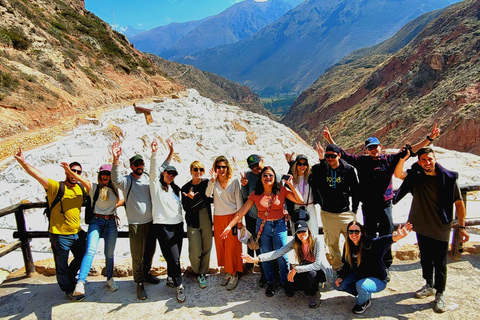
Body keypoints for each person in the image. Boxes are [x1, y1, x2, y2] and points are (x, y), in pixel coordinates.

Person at [323, 123, 440, 278]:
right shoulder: (361, 161)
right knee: (370, 236)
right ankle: (371, 264)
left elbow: (411, 151)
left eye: (376, 147)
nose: (374, 150)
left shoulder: (390, 159)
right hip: (369, 206)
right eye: (370, 148)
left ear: (380, 147)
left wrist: (429, 138)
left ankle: (386, 266)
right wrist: (330, 139)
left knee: (387, 235)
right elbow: (342, 154)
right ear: (366, 150)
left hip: (385, 205)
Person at [393, 147, 470, 313]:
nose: (427, 163)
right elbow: (399, 175)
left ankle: (440, 293)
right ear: (419, 162)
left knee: (440, 262)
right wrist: (402, 158)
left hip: (441, 226)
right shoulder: (417, 176)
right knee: (426, 258)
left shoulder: (448, 178)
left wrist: (462, 227)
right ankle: (429, 284)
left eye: (430, 159)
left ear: (434, 159)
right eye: (423, 160)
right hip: (421, 225)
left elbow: (458, 202)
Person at [14, 147, 89, 301]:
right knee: (61, 265)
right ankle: (68, 290)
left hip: (78, 232)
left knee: (83, 256)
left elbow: (92, 187)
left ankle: (70, 278)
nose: (75, 174)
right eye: (72, 170)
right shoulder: (56, 187)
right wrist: (23, 163)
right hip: (60, 235)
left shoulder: (82, 188)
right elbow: (38, 175)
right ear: (66, 172)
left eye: (78, 172)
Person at [221, 166, 304, 297]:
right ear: (261, 178)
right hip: (263, 226)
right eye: (265, 175)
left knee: (282, 255)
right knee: (265, 255)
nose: (268, 178)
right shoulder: (256, 194)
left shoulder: (281, 190)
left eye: (270, 175)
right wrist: (229, 226)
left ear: (274, 177)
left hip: (279, 225)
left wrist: (291, 185)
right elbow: (242, 211)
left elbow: (300, 200)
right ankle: (270, 283)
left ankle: (286, 282)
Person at [242, 220, 331, 308]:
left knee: (311, 276)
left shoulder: (317, 241)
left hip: (318, 271)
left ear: (308, 231)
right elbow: (278, 253)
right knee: (289, 286)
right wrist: (256, 259)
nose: (302, 234)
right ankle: (308, 286)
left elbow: (317, 265)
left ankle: (314, 293)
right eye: (299, 232)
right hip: (304, 268)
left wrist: (296, 269)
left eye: (304, 231)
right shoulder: (296, 242)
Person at [335, 221, 413, 314]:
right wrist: (341, 276)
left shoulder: (370, 243)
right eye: (351, 232)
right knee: (338, 285)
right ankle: (364, 292)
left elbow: (385, 240)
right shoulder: (348, 245)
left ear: (361, 233)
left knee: (362, 285)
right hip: (360, 276)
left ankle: (363, 302)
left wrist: (397, 237)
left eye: (357, 231)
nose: (353, 234)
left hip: (377, 279)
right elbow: (347, 265)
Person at [142, 138, 186, 303]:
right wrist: (154, 153)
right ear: (163, 174)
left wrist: (171, 153)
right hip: (164, 227)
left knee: (174, 256)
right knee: (174, 258)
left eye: (173, 174)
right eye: (169, 173)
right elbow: (153, 171)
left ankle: (170, 277)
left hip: (178, 225)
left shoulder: (174, 189)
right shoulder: (156, 187)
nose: (171, 176)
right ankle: (179, 286)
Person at [73, 164, 124, 298]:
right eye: (103, 174)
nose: (105, 176)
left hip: (111, 223)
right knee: (90, 250)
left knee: (109, 253)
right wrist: (69, 171)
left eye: (108, 174)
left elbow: (119, 201)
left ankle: (109, 279)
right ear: (100, 175)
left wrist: (119, 204)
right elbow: (82, 180)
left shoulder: (115, 190)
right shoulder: (94, 188)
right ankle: (81, 282)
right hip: (96, 221)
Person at [111, 141, 153, 300]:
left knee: (149, 251)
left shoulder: (148, 178)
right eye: (136, 164)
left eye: (141, 163)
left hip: (150, 222)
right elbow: (115, 179)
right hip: (136, 224)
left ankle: (147, 274)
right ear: (131, 167)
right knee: (137, 255)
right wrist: (115, 159)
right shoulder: (127, 180)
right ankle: (139, 282)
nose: (139, 166)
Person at [309, 143, 359, 271]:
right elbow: (313, 176)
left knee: (353, 241)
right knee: (332, 244)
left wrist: (353, 211)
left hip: (345, 213)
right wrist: (321, 159)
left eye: (333, 156)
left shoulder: (348, 170)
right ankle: (338, 268)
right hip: (328, 214)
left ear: (339, 155)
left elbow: (355, 191)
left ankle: (353, 267)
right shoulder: (321, 168)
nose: (330, 159)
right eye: (327, 156)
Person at [206, 156, 244, 290]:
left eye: (223, 167)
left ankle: (234, 274)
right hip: (218, 217)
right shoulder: (214, 181)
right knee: (222, 246)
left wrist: (239, 221)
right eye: (218, 167)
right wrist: (211, 181)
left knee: (232, 246)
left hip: (232, 217)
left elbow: (239, 201)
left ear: (227, 168)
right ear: (215, 168)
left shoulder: (234, 181)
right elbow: (207, 194)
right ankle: (228, 271)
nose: (221, 169)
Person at [181, 160, 213, 289]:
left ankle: (202, 273)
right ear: (191, 171)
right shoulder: (185, 187)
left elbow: (212, 196)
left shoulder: (206, 183)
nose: (198, 172)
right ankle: (197, 270)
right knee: (194, 251)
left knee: (207, 247)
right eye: (195, 170)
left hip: (206, 217)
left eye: (200, 170)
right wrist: (189, 197)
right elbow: (185, 207)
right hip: (193, 220)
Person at [284, 154, 319, 235]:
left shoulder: (311, 177)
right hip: (296, 208)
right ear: (296, 165)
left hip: (309, 207)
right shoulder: (291, 179)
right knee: (298, 233)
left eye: (304, 164)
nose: (302, 166)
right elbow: (285, 195)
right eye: (299, 164)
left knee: (313, 232)